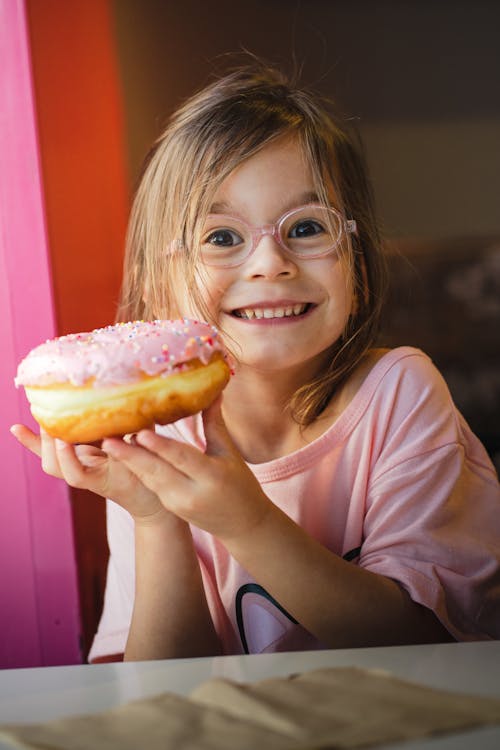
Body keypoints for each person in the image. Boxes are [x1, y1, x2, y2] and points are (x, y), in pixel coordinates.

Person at [12, 64, 500, 662]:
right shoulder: (155, 439)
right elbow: (165, 695)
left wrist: (249, 524)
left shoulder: (398, 393)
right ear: (157, 280)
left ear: (361, 265)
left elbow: (429, 651)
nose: (270, 262)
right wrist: (154, 517)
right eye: (221, 237)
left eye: (307, 227)